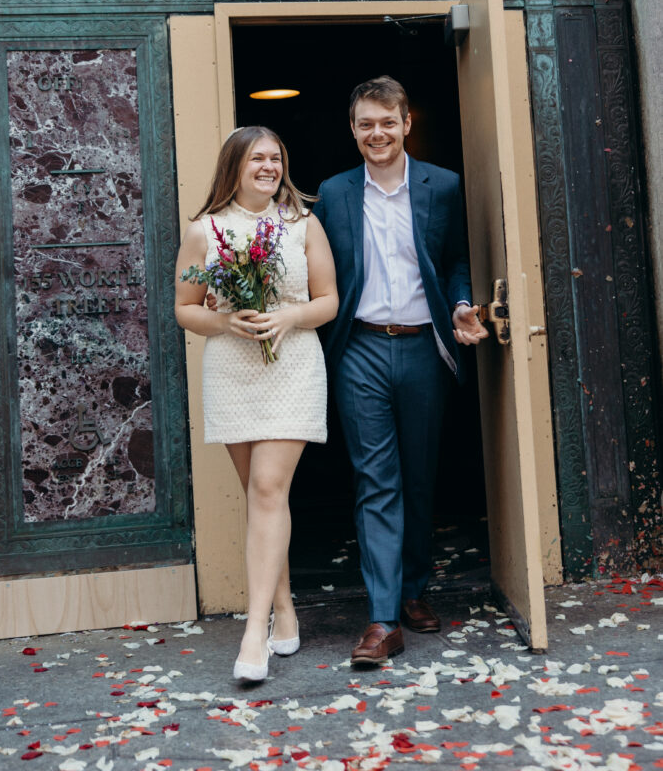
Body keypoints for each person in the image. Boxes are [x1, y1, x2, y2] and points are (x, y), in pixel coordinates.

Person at [314, 75, 488, 666]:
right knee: (376, 480)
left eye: (388, 122)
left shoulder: (443, 186)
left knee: (417, 476)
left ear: (407, 123)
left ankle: (412, 588)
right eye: (366, 123)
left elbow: (458, 259)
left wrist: (462, 306)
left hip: (423, 349)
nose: (377, 133)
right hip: (359, 349)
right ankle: (383, 618)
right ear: (353, 128)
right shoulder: (334, 193)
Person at [175, 126, 338, 682]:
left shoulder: (301, 223)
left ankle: (255, 631)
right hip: (231, 367)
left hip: (292, 365)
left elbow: (328, 300)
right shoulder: (205, 230)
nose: (269, 166)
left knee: (269, 489)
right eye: (257, 158)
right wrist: (227, 320)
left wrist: (287, 317)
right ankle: (286, 608)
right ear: (234, 167)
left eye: (276, 157)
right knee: (261, 498)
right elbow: (185, 309)